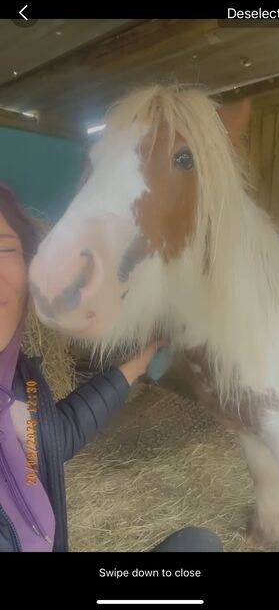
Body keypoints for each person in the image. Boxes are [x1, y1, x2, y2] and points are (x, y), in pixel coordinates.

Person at [0, 182, 222, 553]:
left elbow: (58, 437)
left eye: (4, 248)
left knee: (199, 545)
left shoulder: (20, 381)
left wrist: (139, 363)